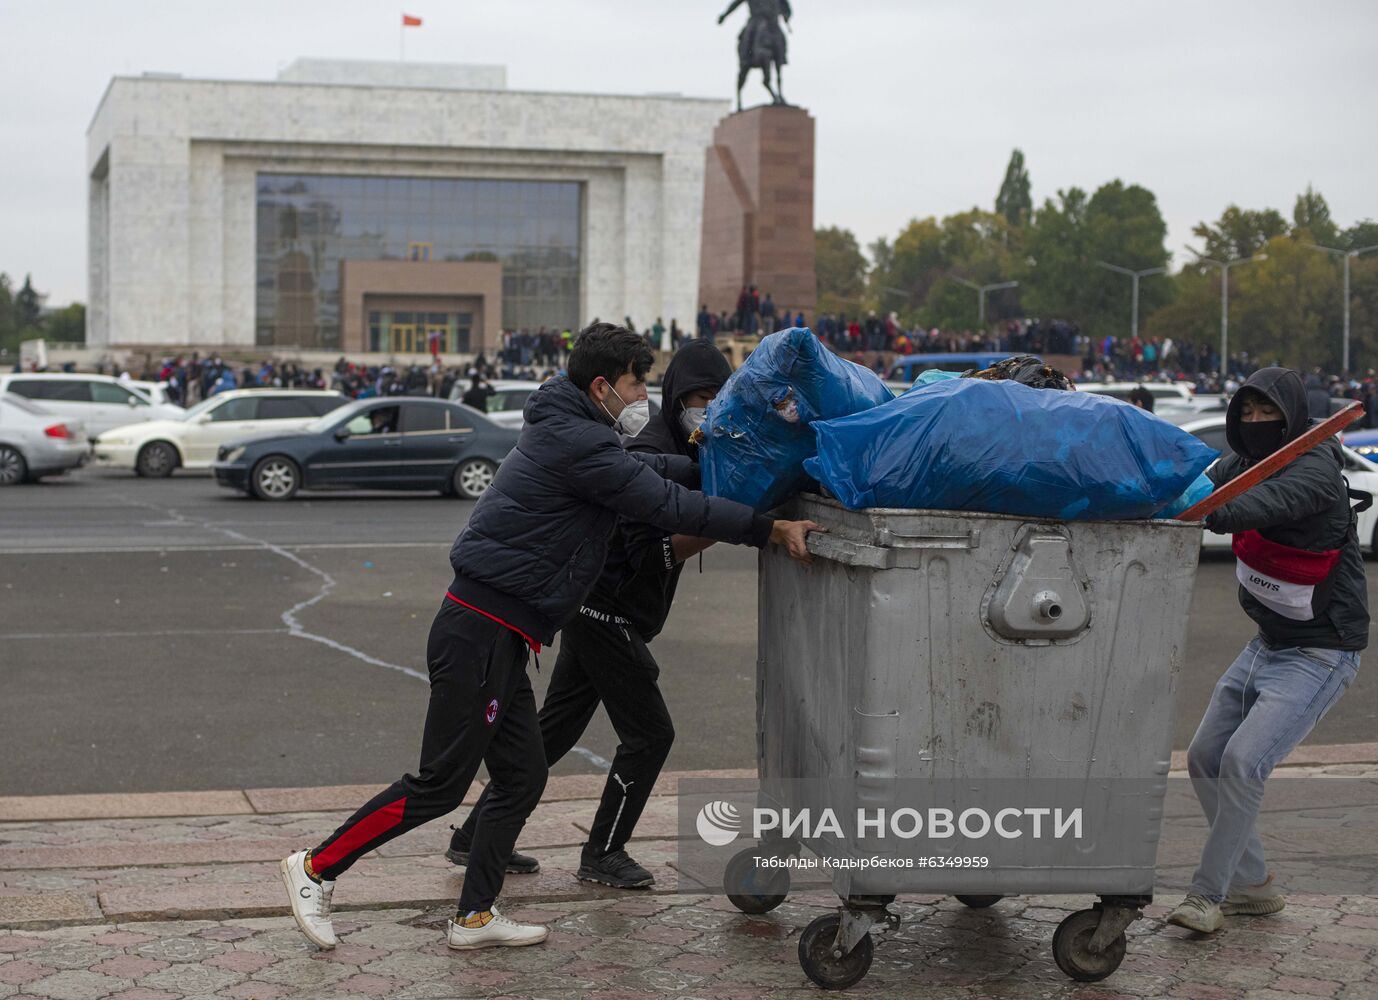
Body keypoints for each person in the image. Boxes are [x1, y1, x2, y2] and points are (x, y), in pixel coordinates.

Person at [280, 323, 821, 952]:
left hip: (504, 634)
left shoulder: (576, 429)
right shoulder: (582, 446)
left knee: (522, 775)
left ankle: (475, 916)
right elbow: (667, 504)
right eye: (634, 383)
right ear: (601, 386)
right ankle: (316, 869)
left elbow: (646, 466)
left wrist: (713, 462)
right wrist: (768, 528)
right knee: (439, 785)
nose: (641, 394)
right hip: (478, 630)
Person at [445, 340, 732, 889]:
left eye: (721, 395)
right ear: (677, 396)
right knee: (650, 735)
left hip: (598, 607)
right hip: (606, 610)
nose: (710, 405)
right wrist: (730, 527)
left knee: (552, 732)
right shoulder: (648, 443)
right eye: (701, 395)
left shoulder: (693, 443)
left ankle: (474, 836)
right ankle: (604, 851)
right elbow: (640, 547)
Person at [1167, 368, 1367, 934]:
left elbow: (1266, 501)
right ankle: (1254, 887)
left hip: (1322, 654)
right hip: (1266, 644)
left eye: (1268, 414)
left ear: (1294, 417)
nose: (1256, 424)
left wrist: (1211, 511)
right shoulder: (1240, 462)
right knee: (1206, 757)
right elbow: (1202, 478)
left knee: (1242, 762)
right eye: (1247, 414)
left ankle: (1209, 895)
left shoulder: (1318, 470)